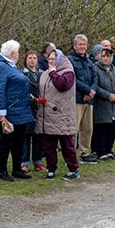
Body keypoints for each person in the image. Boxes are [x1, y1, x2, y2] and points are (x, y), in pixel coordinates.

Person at [0, 40, 34, 182]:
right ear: (13, 53)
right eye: (18, 52)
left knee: (19, 141)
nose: (19, 55)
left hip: (21, 110)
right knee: (6, 141)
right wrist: (1, 115)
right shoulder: (1, 67)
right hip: (9, 111)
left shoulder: (11, 66)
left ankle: (17, 169)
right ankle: (3, 171)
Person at [35, 49, 80, 180]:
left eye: (53, 59)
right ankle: (51, 169)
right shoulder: (45, 73)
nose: (50, 61)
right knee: (49, 145)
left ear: (60, 59)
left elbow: (63, 85)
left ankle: (73, 169)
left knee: (66, 144)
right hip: (47, 114)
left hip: (62, 115)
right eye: (49, 59)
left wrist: (53, 73)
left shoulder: (68, 72)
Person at [91, 46, 115, 160]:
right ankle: (101, 151)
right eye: (103, 56)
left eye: (108, 56)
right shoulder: (95, 69)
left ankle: (109, 150)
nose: (106, 58)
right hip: (102, 104)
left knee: (112, 128)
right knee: (102, 129)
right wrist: (108, 95)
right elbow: (97, 87)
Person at [68, 35, 98, 163]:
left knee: (87, 128)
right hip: (77, 99)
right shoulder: (70, 60)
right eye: (80, 44)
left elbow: (95, 77)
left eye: (84, 44)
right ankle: (71, 154)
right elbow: (73, 79)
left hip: (89, 100)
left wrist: (92, 91)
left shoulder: (89, 61)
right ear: (75, 46)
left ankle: (85, 153)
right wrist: (87, 90)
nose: (82, 47)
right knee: (74, 129)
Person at [20, 51, 46, 173]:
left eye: (34, 58)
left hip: (40, 107)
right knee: (26, 136)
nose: (32, 60)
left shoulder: (42, 74)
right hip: (27, 107)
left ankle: (38, 161)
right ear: (26, 60)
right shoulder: (22, 74)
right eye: (29, 58)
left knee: (38, 136)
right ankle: (24, 162)